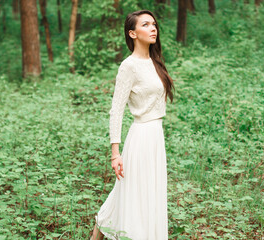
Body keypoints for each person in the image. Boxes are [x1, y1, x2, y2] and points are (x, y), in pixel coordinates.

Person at [90, 9, 174, 240]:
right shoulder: (129, 66)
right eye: (146, 25)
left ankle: (99, 232)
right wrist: (115, 153)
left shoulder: (155, 62)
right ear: (133, 33)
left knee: (147, 196)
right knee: (133, 195)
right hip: (140, 137)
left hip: (156, 137)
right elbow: (116, 110)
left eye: (154, 24)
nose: (153, 28)